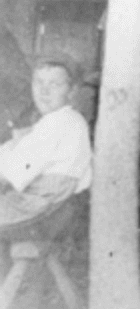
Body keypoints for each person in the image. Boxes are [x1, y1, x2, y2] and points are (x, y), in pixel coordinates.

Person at [0, 54, 92, 230]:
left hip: (41, 204)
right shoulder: (61, 120)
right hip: (46, 203)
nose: (44, 91)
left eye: (54, 84)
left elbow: (12, 172)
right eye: (38, 83)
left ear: (72, 92)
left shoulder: (60, 123)